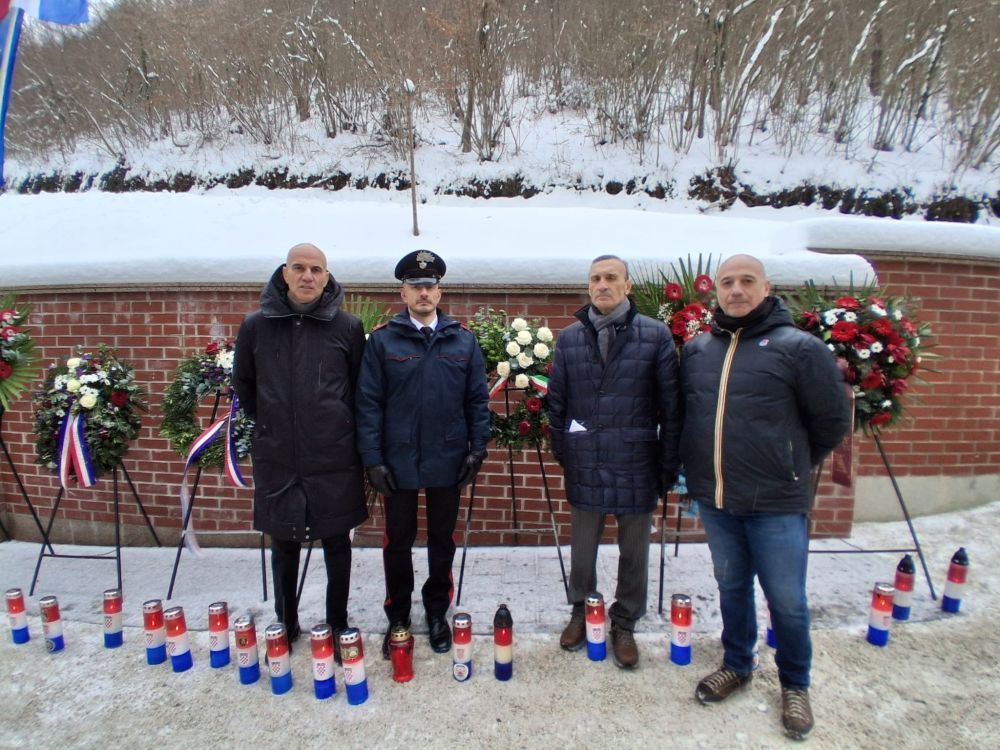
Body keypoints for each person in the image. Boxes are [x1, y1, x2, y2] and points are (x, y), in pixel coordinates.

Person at [679, 254, 851, 741]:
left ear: (766, 287)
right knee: (731, 588)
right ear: (716, 292)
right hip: (717, 499)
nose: (736, 290)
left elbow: (832, 421)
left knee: (787, 600)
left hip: (776, 503)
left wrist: (790, 463)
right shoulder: (698, 350)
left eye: (746, 281)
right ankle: (737, 663)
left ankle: (795, 684)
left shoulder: (799, 348)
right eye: (727, 282)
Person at [233, 243, 367, 661]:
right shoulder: (256, 326)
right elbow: (245, 386)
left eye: (316, 269)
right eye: (299, 268)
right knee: (283, 543)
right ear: (285, 273)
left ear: (327, 277)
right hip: (279, 455)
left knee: (336, 544)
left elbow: (360, 389)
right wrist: (276, 424)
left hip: (333, 455)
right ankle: (286, 622)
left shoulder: (347, 327)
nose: (308, 276)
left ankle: (338, 622)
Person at [548, 254, 682, 669]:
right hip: (586, 458)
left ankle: (625, 621)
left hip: (637, 459)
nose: (602, 284)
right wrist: (566, 451)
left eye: (611, 278)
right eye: (595, 279)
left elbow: (670, 407)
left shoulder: (655, 335)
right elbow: (557, 403)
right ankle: (581, 610)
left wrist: (666, 463)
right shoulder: (569, 338)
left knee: (634, 550)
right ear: (588, 287)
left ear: (627, 286)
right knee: (583, 548)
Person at [355, 249, 491, 659]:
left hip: (447, 458)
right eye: (416, 286)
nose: (424, 292)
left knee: (440, 540)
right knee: (398, 541)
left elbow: (477, 401)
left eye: (430, 286)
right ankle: (397, 615)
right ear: (403, 292)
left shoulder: (462, 341)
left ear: (440, 291)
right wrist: (372, 459)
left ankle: (436, 612)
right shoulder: (382, 341)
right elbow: (368, 403)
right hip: (397, 462)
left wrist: (477, 450)